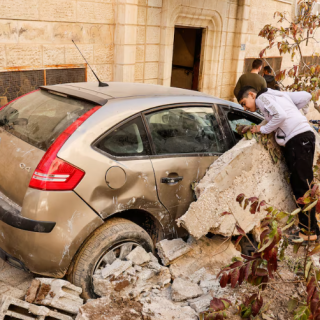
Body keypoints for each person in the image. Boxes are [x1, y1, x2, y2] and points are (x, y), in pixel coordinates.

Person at [237, 86, 318, 242]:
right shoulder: (279, 94)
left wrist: (263, 128)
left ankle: (308, 233)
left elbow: (279, 115)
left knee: (302, 187)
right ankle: (313, 230)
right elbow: (306, 96)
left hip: (297, 141)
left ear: (252, 95)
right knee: (305, 185)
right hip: (305, 137)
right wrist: (297, 114)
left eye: (244, 102)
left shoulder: (262, 98)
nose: (245, 107)